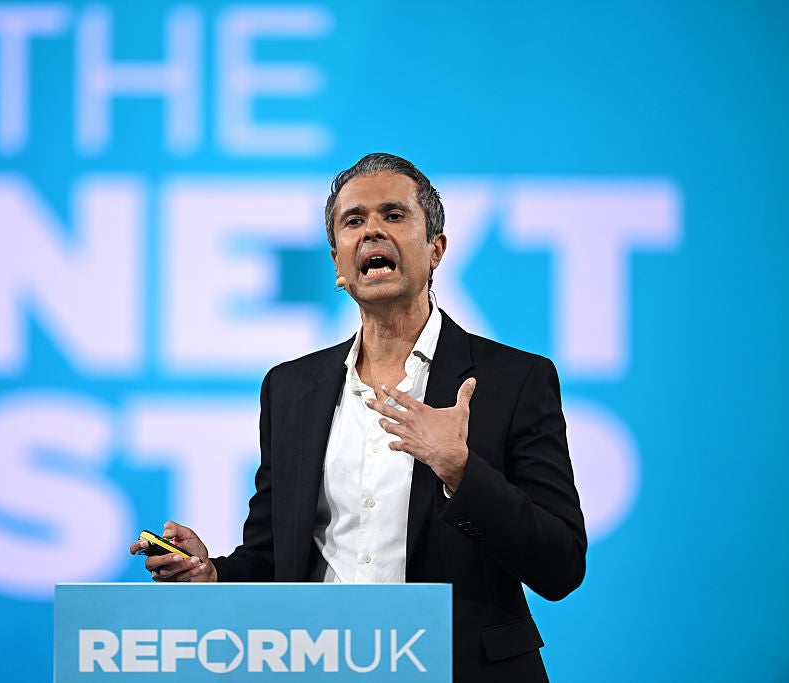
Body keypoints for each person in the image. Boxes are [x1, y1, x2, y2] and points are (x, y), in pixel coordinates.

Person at [129, 153, 587, 682]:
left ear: (436, 248)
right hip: (323, 668)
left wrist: (460, 469)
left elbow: (561, 565)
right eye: (354, 221)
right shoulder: (291, 388)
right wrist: (210, 575)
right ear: (338, 263)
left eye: (394, 215)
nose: (372, 230)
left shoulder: (513, 380)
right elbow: (274, 558)